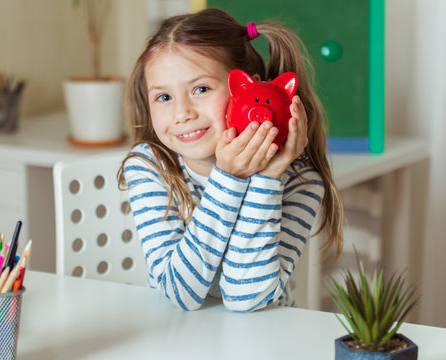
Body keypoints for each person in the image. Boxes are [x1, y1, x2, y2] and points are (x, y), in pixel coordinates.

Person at [117, 8, 344, 312]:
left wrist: (266, 179)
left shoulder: (298, 182)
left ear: (248, 89)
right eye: (164, 97)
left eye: (201, 89)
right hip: (175, 336)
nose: (182, 112)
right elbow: (179, 293)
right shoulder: (150, 166)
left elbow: (245, 299)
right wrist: (229, 179)